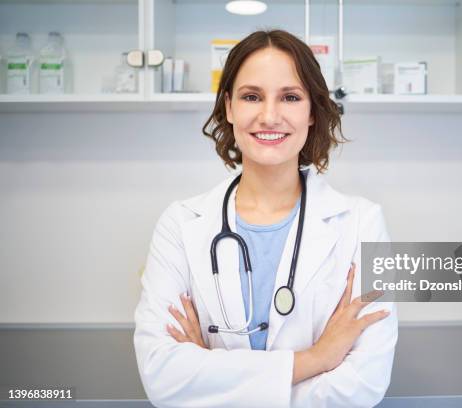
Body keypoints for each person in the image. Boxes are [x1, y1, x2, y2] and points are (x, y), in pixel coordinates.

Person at [133, 29, 398, 408]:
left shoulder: (366, 222)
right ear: (228, 107)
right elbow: (162, 377)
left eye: (290, 97)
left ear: (311, 112)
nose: (269, 116)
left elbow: (365, 384)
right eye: (251, 96)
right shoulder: (180, 223)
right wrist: (317, 359)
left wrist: (211, 375)